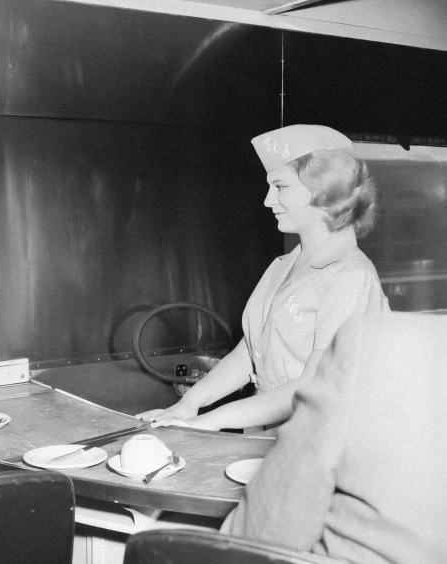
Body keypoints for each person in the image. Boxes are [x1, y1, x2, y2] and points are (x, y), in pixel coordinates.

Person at [137, 124, 389, 432]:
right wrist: (190, 404)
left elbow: (313, 386)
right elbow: (250, 354)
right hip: (269, 435)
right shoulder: (283, 266)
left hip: (317, 443)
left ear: (323, 191)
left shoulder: (351, 276)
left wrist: (211, 422)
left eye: (280, 187)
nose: (268, 201)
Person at [220, 311, 447, 563]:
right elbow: (249, 349)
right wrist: (195, 407)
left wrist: (208, 419)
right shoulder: (278, 272)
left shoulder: (375, 338)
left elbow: (264, 531)